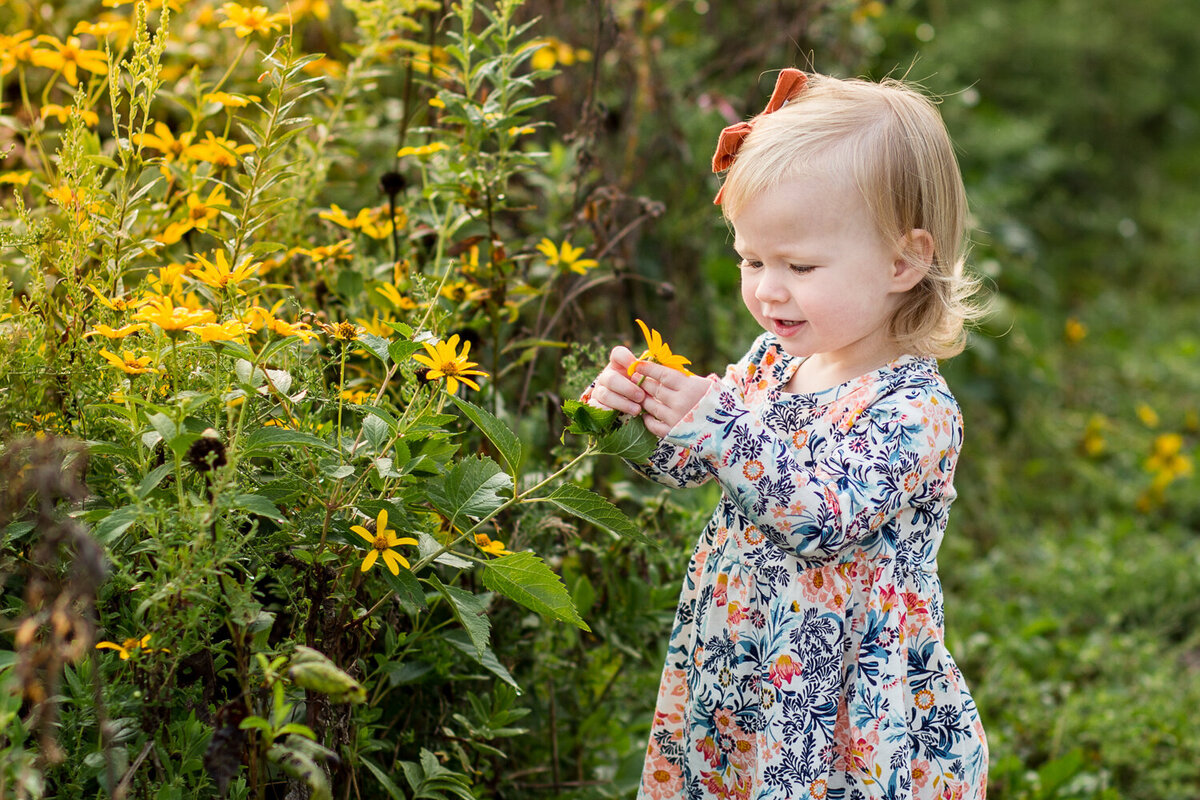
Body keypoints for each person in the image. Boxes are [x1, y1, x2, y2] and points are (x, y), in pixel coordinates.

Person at [582, 68, 989, 799]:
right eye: (751, 259)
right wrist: (645, 415)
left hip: (835, 700)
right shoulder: (773, 361)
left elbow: (820, 514)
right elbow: (699, 465)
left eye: (799, 265)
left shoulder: (914, 410)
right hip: (738, 664)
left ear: (904, 260)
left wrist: (714, 424)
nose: (768, 288)